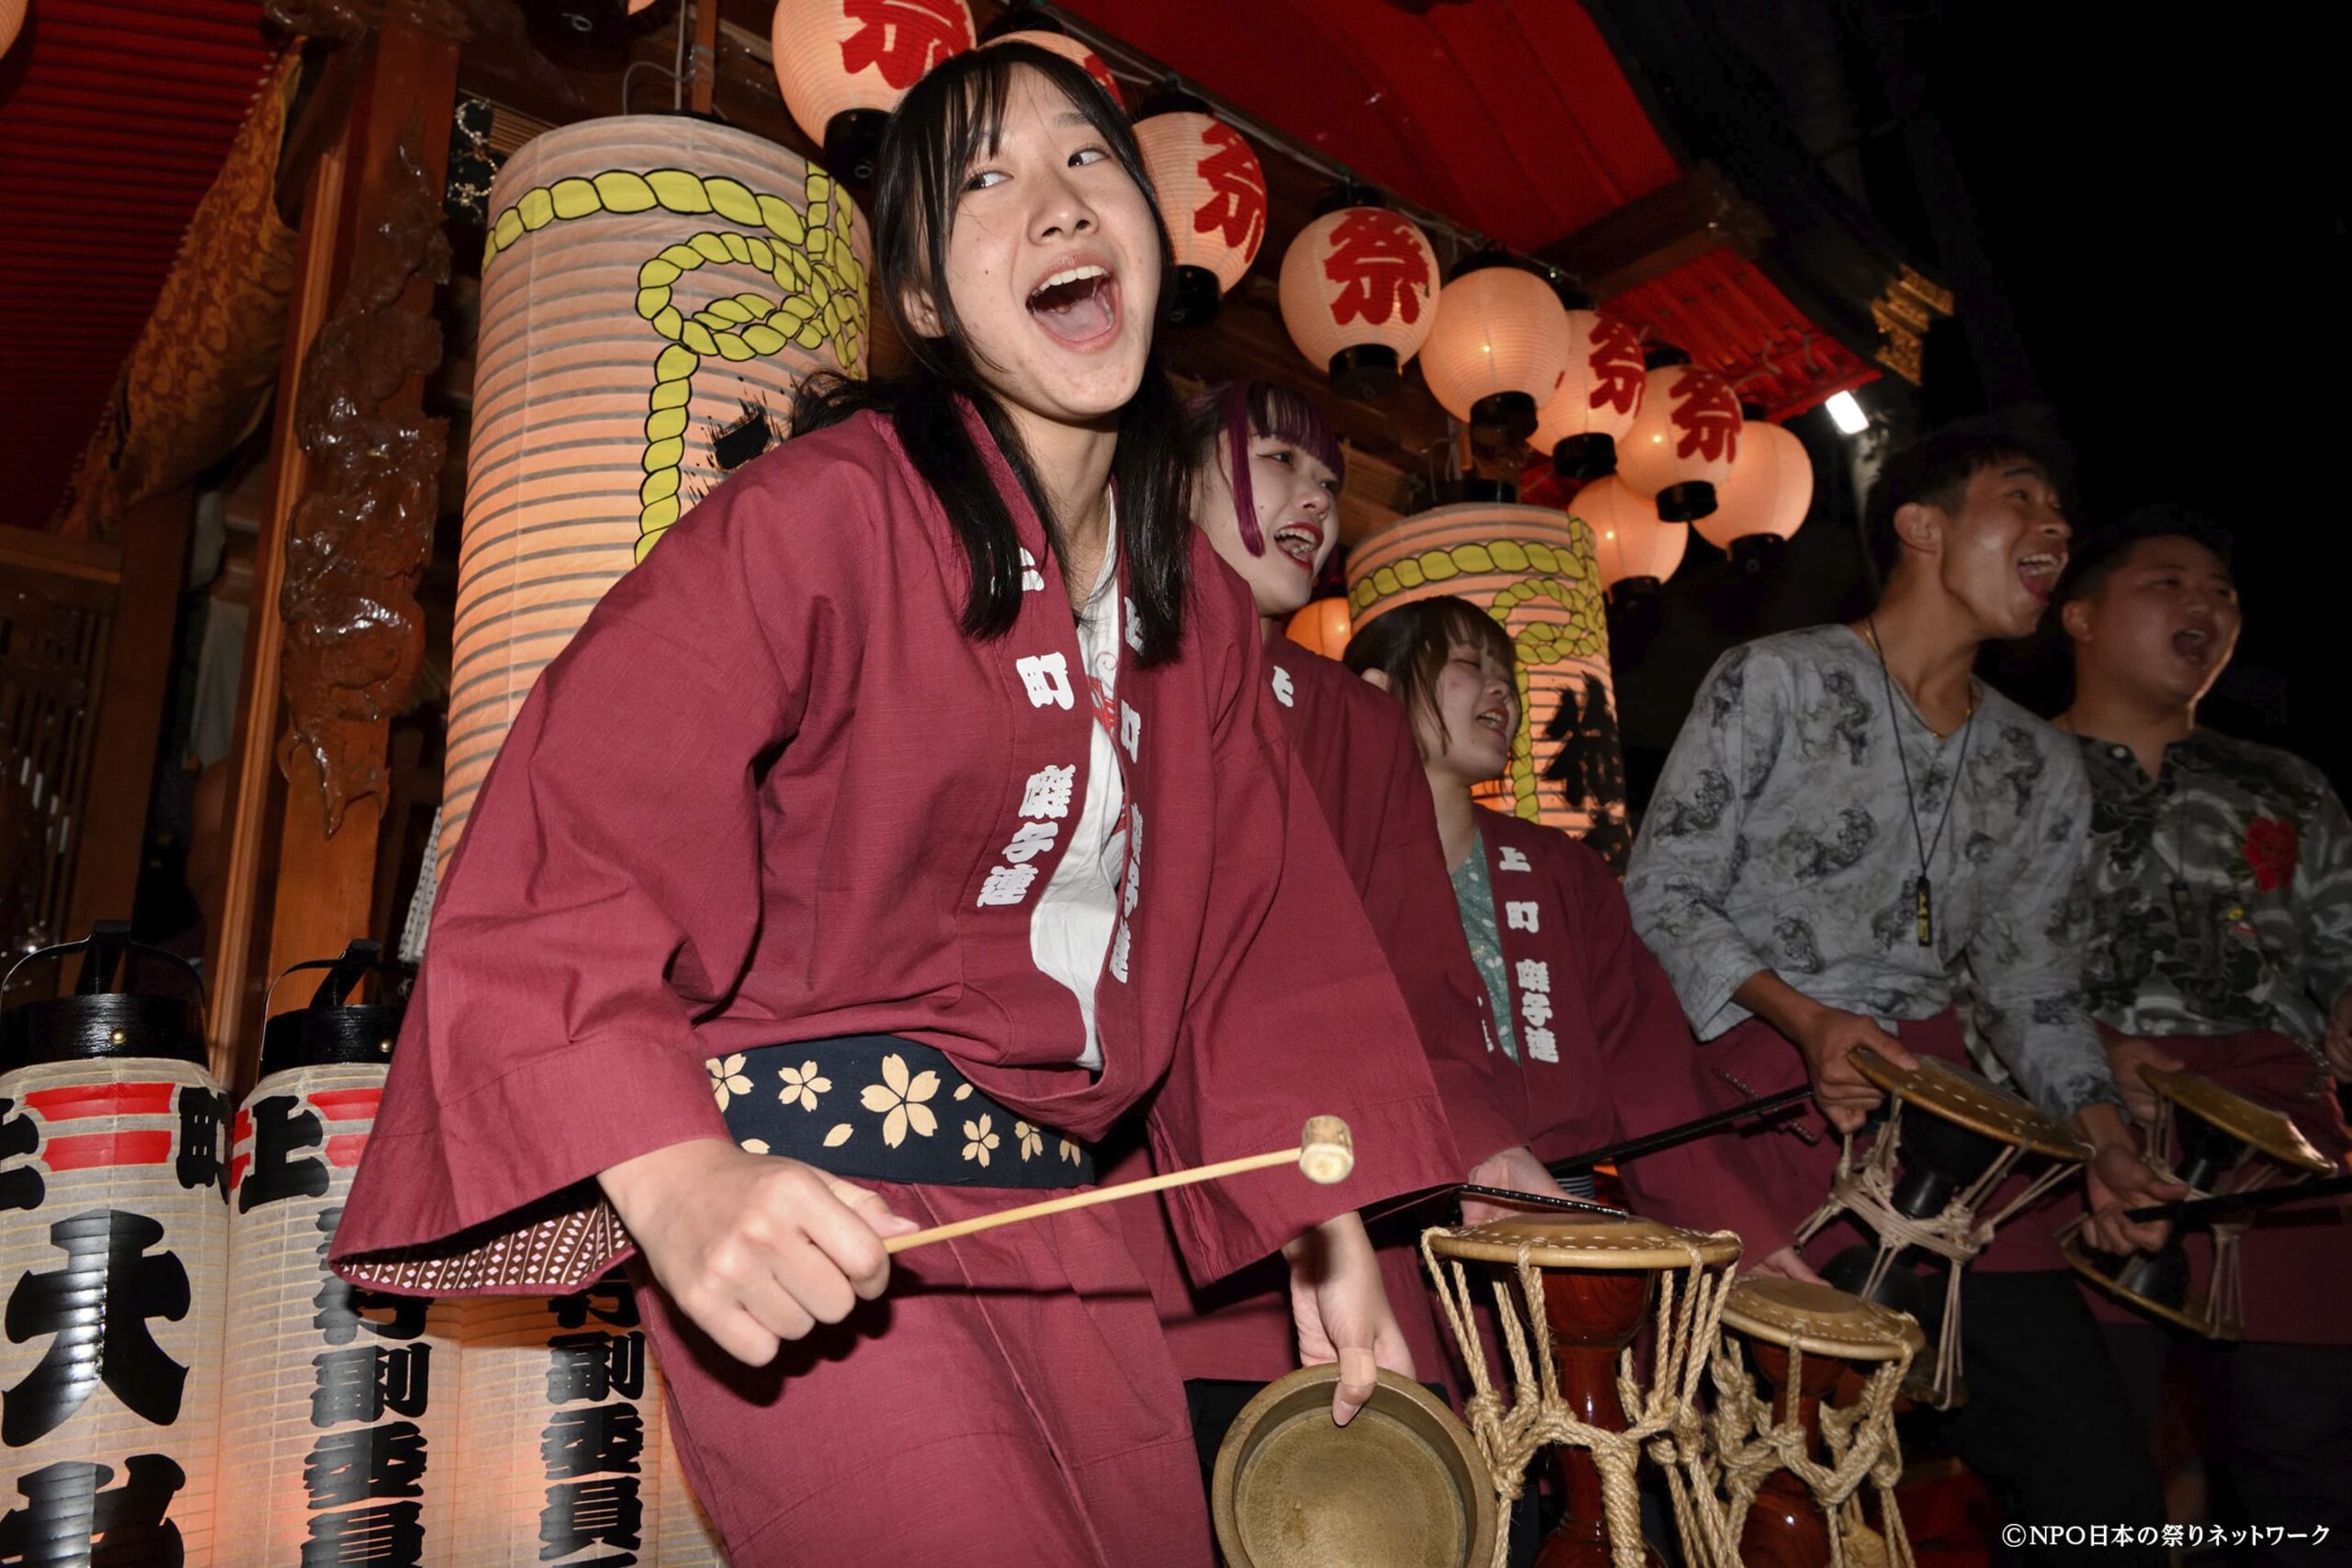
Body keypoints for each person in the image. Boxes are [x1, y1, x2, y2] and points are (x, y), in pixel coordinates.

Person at [329, 47, 1461, 1566]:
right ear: (923, 299)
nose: (1057, 202)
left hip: (1073, 1235)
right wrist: (670, 1172)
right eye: (985, 181)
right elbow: (582, 829)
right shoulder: (814, 518)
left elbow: (1266, 938)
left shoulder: (1185, 625)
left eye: (1088, 162)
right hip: (822, 1214)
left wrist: (1317, 1209)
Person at [1622, 413, 2179, 1558]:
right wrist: (1808, 1017)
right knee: (1752, 1484)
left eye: (2056, 512)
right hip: (1759, 1091)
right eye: (2019, 498)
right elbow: (1661, 893)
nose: (2054, 526)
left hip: (1946, 1129)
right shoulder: (1773, 679)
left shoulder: (2038, 762)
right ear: (1921, 526)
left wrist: (2102, 1132)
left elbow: (2029, 982)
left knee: (2102, 1490)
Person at [2053, 505, 2352, 1562]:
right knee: (2089, 1455)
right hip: (2077, 1122)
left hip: (2277, 1130)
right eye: (2168, 581)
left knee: (2307, 1443)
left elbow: (2339, 949)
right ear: (2077, 615)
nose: (2207, 605)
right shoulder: (2007, 775)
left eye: (2221, 591)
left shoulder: (2287, 785)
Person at [1342, 596, 1801, 1269]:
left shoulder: (1561, 869)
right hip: (1388, 1230)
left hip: (1563, 1215)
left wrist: (1741, 1231)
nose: (1502, 687)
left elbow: (1650, 1068)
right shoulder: (1329, 856)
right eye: (1470, 663)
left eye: (1508, 674)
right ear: (1376, 691)